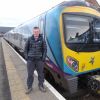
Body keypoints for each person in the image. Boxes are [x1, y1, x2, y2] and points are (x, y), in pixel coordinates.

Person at [24, 26, 47, 94]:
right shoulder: (29, 39)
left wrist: (43, 58)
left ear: (39, 32)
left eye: (37, 31)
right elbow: (25, 49)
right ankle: (29, 87)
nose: (36, 33)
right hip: (30, 60)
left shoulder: (42, 39)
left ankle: (41, 85)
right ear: (33, 32)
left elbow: (45, 49)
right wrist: (27, 57)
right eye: (35, 31)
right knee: (30, 74)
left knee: (41, 74)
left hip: (39, 60)